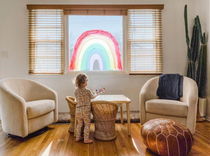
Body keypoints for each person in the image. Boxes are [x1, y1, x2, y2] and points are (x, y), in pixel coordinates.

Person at [74, 73, 105, 144]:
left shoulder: (76, 91)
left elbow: (79, 98)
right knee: (87, 125)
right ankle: (86, 139)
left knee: (79, 124)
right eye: (86, 81)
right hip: (86, 111)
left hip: (78, 110)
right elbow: (92, 97)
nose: (87, 82)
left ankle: (77, 137)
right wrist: (98, 93)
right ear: (83, 82)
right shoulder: (87, 91)